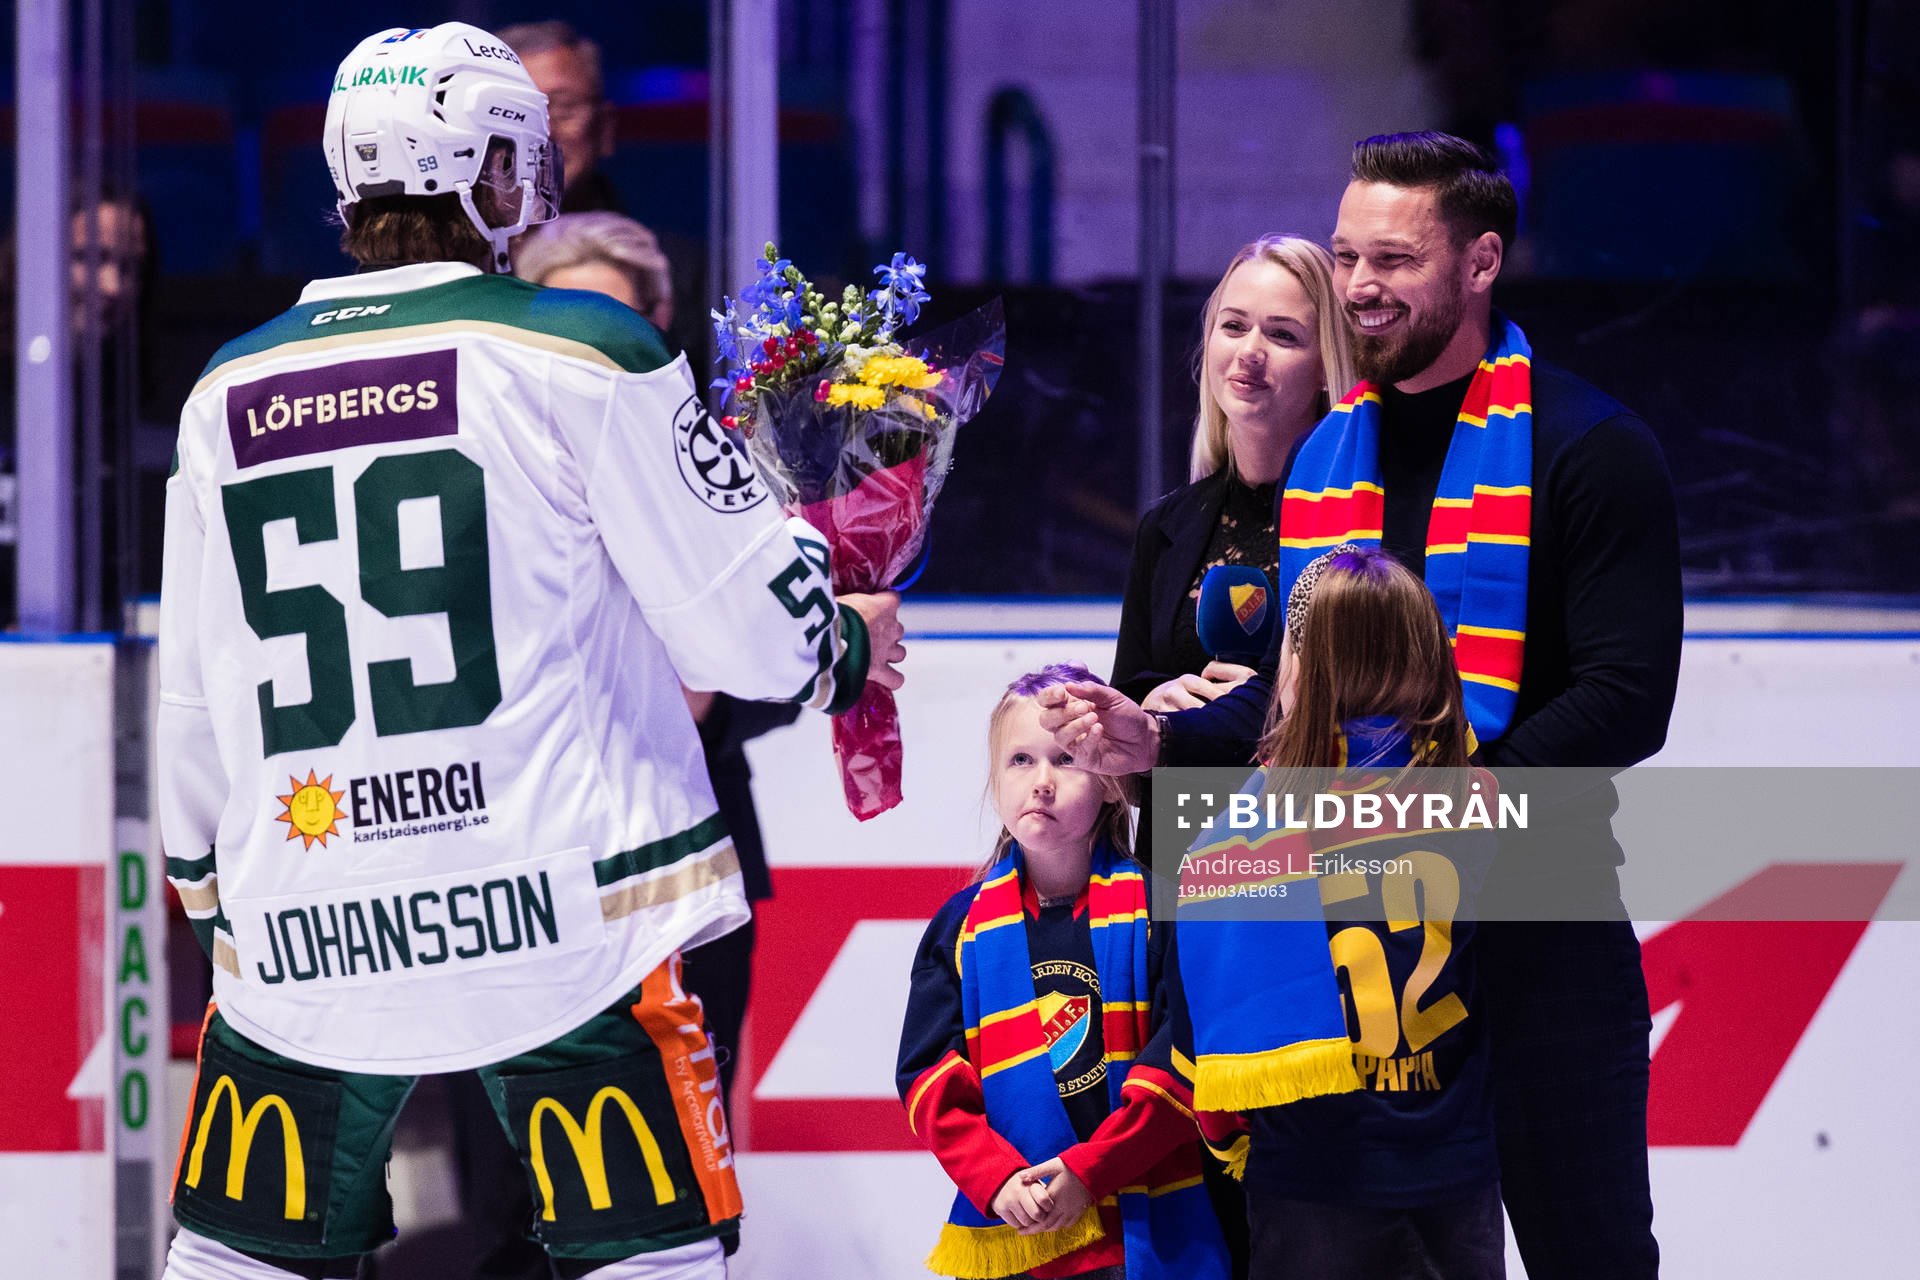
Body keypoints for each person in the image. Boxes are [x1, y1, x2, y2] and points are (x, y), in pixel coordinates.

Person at [156, 24, 904, 1280]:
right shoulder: (584, 349)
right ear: (496, 172)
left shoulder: (224, 389)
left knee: (237, 1261)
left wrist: (217, 902)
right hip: (561, 913)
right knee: (653, 1256)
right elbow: (744, 626)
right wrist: (838, 644)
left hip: (311, 913)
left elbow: (193, 697)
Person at [1041, 131, 1680, 1279]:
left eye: (1394, 258)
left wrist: (1463, 797)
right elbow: (1302, 702)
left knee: (1592, 1256)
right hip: (1345, 955)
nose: (1361, 286)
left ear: (1481, 262)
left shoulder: (1591, 448)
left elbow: (1627, 698)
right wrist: (1160, 735)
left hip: (1540, 940)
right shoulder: (1328, 460)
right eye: (1347, 257)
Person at [1169, 544, 1503, 1278]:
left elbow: (1207, 1032)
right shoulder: (1473, 794)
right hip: (1456, 1169)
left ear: (1299, 668)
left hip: (1313, 1178)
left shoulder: (1248, 825)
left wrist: (1231, 1139)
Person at [896, 664, 1229, 1280]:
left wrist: (1092, 1170)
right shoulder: (957, 930)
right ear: (995, 778)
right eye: (1020, 761)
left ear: (1112, 783)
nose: (1041, 783)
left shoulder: (1163, 912)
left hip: (1140, 1232)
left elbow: (1183, 1063)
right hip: (1015, 1225)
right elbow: (929, 1078)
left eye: (1067, 760)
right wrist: (996, 1180)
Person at [1112, 234, 1356, 713]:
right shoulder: (1165, 527)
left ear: (1328, 365)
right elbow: (1124, 698)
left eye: (1282, 335)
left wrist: (1267, 707)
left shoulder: (1361, 517)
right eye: (1234, 326)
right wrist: (1149, 704)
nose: (1250, 351)